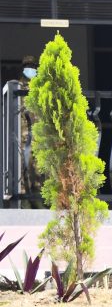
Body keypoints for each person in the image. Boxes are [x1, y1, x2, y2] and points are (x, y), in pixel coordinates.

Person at [18, 55, 44, 208]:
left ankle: (37, 198)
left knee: (39, 168)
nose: (31, 69)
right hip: (23, 134)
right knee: (23, 167)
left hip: (38, 134)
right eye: (28, 66)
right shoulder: (18, 86)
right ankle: (24, 201)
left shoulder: (40, 87)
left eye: (33, 66)